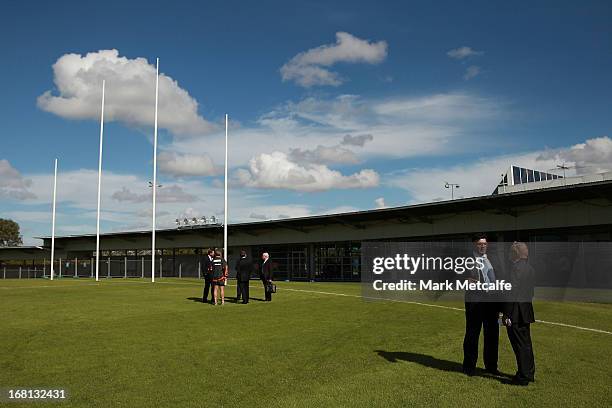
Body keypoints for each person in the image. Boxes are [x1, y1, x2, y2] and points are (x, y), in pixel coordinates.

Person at [462, 233, 501, 376]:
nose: (482, 246)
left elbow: (499, 278)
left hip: (491, 302)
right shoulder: (466, 260)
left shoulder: (493, 259)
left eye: (484, 244)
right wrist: (464, 280)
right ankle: (469, 366)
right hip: (475, 302)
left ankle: (491, 367)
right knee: (472, 334)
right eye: (479, 244)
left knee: (492, 335)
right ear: (474, 245)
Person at [502, 242, 536, 386]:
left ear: (515, 253)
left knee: (519, 345)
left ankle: (523, 376)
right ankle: (529, 372)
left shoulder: (515, 269)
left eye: (510, 252)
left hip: (515, 312)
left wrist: (506, 314)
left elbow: (512, 292)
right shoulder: (529, 268)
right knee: (526, 344)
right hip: (525, 310)